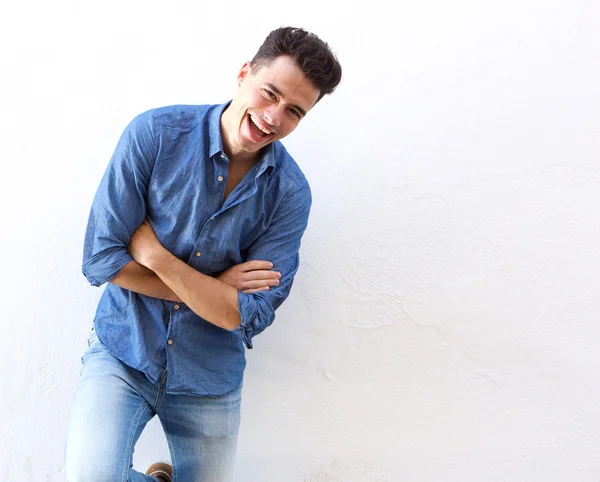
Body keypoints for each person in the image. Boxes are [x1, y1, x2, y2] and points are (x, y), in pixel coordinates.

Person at [65, 26, 342, 482]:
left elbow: (248, 314)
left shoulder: (290, 194)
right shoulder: (154, 135)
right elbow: (101, 259)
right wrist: (213, 290)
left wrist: (157, 257)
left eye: (294, 111)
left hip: (208, 375)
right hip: (124, 350)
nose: (273, 118)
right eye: (269, 93)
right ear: (243, 73)